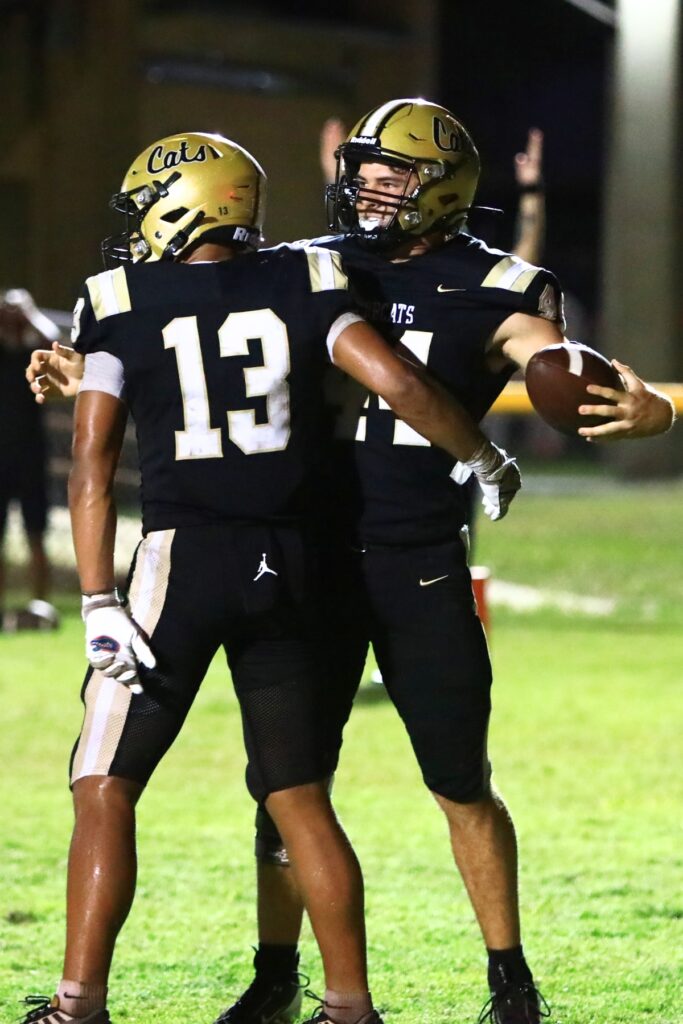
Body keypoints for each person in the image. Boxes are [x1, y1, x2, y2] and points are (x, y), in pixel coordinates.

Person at [26, 106, 674, 1024]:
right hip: (309, 553)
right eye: (362, 170)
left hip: (412, 556)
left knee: (457, 779)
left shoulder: (500, 283)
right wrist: (80, 362)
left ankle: (509, 980)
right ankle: (283, 980)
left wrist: (642, 406)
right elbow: (195, 329)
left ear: (441, 188)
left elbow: (554, 363)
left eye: (391, 175)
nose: (368, 188)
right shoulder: (305, 261)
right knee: (288, 787)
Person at [0, 288, 61, 631]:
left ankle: (41, 604)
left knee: (35, 533)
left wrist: (30, 312)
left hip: (30, 456)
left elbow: (53, 340)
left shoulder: (31, 357)